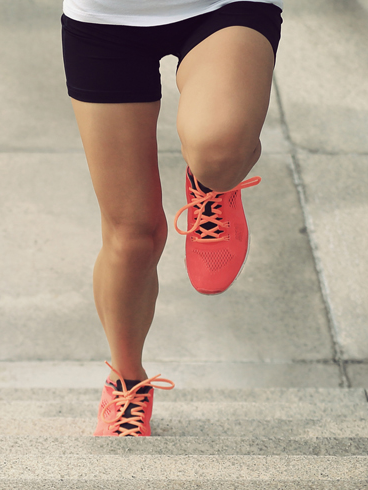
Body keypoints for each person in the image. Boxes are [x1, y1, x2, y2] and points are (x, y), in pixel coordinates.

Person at [60, 0, 283, 437]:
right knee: (132, 236)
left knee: (217, 151)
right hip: (105, 17)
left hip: (222, 7)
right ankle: (126, 381)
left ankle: (213, 182)